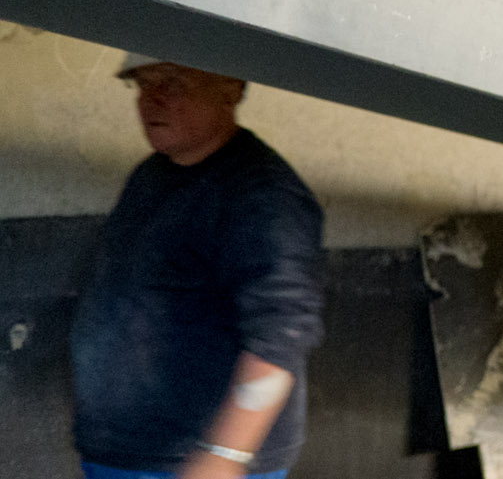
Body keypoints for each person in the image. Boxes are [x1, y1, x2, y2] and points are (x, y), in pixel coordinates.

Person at [70, 55, 325, 479]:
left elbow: (282, 334)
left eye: (173, 81)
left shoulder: (262, 197)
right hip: (124, 451)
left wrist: (223, 457)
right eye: (143, 83)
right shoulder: (152, 176)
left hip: (191, 462)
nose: (153, 99)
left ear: (231, 87)